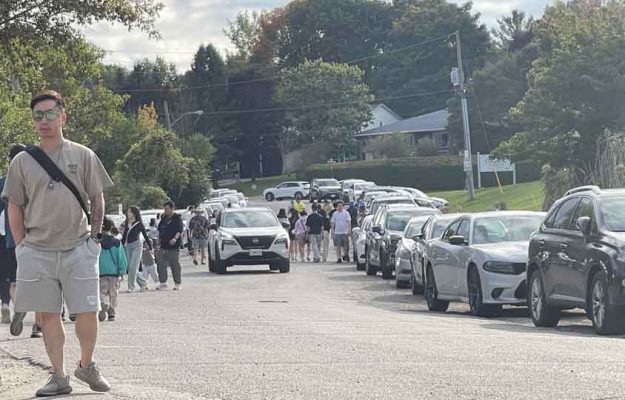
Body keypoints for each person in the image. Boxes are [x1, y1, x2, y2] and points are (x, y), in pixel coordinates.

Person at [2, 90, 113, 396]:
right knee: (48, 314)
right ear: (33, 121)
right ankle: (59, 376)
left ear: (63, 116)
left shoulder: (83, 154)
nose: (45, 121)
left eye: (51, 114)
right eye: (38, 116)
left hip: (79, 246)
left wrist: (95, 237)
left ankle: (86, 365)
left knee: (88, 311)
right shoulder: (22, 162)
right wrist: (22, 246)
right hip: (37, 249)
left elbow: (97, 198)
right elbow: (14, 205)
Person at [98, 217, 127, 322]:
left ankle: (103, 303)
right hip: (114, 273)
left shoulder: (97, 242)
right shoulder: (117, 242)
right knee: (113, 293)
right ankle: (112, 313)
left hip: (101, 272)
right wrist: (122, 271)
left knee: (102, 291)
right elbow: (122, 258)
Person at [121, 206, 151, 293]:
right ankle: (143, 283)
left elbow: (145, 235)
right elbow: (124, 235)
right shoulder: (127, 222)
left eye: (130, 212)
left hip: (137, 246)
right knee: (130, 267)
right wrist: (121, 246)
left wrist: (150, 246)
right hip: (128, 246)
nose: (128, 213)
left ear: (134, 213)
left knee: (133, 266)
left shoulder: (139, 223)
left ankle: (131, 286)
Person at [157, 201, 184, 291]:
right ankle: (163, 282)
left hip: (174, 246)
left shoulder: (177, 218)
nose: (166, 211)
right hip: (163, 245)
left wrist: (175, 239)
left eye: (167, 209)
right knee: (161, 264)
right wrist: (159, 240)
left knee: (175, 265)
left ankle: (177, 283)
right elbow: (160, 229)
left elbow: (179, 230)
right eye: (164, 209)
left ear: (172, 209)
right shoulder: (164, 218)